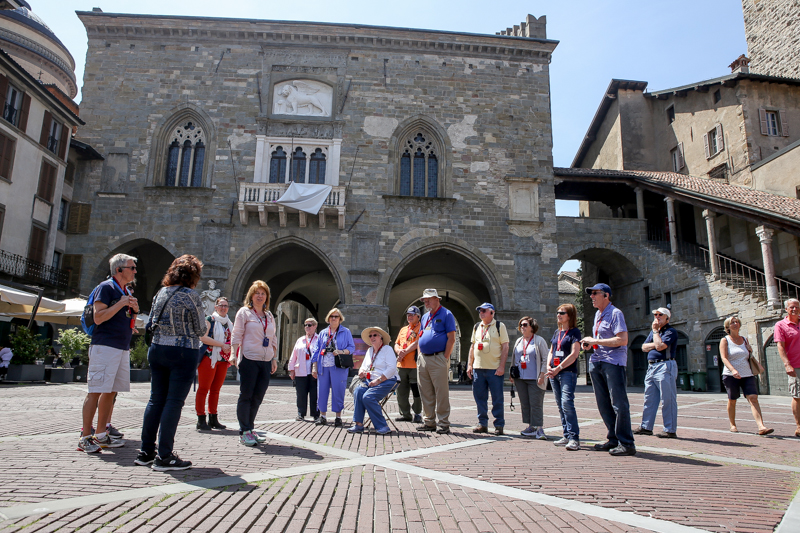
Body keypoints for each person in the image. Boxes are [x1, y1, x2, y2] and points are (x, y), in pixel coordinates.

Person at [136, 255, 206, 471]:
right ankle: (165, 455)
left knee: (156, 400)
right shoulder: (191, 296)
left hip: (157, 349)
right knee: (174, 402)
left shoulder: (160, 293)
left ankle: (146, 452)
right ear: (193, 275)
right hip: (182, 351)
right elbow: (201, 330)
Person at [78, 253, 139, 454]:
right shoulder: (106, 288)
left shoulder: (124, 290)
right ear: (119, 269)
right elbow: (98, 317)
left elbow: (119, 318)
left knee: (111, 391)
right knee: (95, 390)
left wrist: (133, 316)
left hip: (121, 347)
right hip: (105, 346)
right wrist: (121, 303)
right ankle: (85, 436)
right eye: (132, 267)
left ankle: (102, 434)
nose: (135, 271)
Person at [581, 283, 635, 456]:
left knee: (619, 403)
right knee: (603, 403)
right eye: (591, 294)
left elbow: (622, 340)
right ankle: (613, 439)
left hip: (613, 362)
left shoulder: (615, 313)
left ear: (606, 295)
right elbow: (601, 339)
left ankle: (627, 443)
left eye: (595, 293)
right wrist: (591, 343)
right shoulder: (598, 314)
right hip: (597, 361)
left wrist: (596, 341)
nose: (591, 296)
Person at [231, 281, 278, 446]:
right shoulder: (244, 313)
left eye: (263, 293)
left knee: (258, 397)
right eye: (257, 293)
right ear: (251, 295)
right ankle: (244, 431)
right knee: (246, 395)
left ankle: (250, 429)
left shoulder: (269, 315)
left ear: (267, 297)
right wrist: (233, 354)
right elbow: (236, 334)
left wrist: (274, 358)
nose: (260, 296)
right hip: (249, 359)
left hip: (265, 361)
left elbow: (273, 339)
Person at [720, 316, 773, 435]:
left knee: (753, 398)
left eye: (737, 322)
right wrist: (733, 370)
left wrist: (750, 350)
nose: (735, 323)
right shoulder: (725, 340)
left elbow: (747, 356)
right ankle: (732, 424)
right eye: (732, 322)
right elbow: (724, 357)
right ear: (728, 327)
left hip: (747, 374)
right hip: (730, 375)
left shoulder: (744, 339)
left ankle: (761, 426)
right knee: (732, 400)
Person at [416, 288, 457, 434]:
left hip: (438, 357)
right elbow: (420, 336)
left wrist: (444, 357)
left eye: (428, 299)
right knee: (425, 392)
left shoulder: (446, 314)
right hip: (423, 359)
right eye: (424, 300)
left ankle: (443, 423)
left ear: (437, 299)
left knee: (441, 392)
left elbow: (451, 338)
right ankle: (429, 422)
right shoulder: (425, 316)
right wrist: (420, 354)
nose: (426, 302)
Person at [634, 308, 679, 439]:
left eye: (660, 315)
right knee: (649, 398)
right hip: (652, 366)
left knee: (667, 399)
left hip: (665, 365)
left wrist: (655, 334)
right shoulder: (655, 333)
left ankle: (670, 429)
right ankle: (646, 426)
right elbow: (643, 347)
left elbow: (660, 347)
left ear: (667, 318)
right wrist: (655, 339)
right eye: (655, 314)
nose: (657, 317)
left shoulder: (671, 331)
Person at [467, 303, 510, 435]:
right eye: (480, 311)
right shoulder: (477, 326)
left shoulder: (499, 326)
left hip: (494, 369)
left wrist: (502, 366)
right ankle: (482, 423)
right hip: (478, 368)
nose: (481, 313)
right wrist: (470, 364)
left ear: (492, 312)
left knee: (497, 398)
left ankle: (499, 424)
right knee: (480, 398)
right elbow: (473, 347)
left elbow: (505, 346)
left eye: (484, 311)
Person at [348, 326, 399, 435]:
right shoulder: (369, 350)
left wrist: (378, 381)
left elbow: (391, 369)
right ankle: (359, 425)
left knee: (368, 397)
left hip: (388, 380)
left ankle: (383, 426)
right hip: (370, 380)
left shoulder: (387, 349)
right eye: (370, 336)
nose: (372, 337)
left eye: (375, 335)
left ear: (381, 338)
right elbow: (363, 366)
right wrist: (361, 372)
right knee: (358, 391)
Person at [546, 304, 582, 450]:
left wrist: (558, 368)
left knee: (567, 403)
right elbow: (552, 350)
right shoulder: (557, 332)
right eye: (558, 312)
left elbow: (574, 354)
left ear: (570, 316)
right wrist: (548, 366)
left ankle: (574, 438)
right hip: (554, 373)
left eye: (562, 313)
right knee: (561, 405)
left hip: (567, 372)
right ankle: (566, 434)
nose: (559, 315)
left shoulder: (575, 332)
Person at [311, 308, 355, 427]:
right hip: (323, 365)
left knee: (338, 391)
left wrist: (341, 351)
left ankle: (338, 417)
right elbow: (316, 350)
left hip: (338, 366)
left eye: (336, 316)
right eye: (331, 316)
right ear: (328, 318)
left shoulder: (346, 332)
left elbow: (352, 348)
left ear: (340, 319)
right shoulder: (323, 333)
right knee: (322, 391)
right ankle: (323, 416)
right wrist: (314, 367)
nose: (334, 318)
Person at [196, 296, 232, 431]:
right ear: (215, 307)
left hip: (223, 359)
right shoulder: (209, 320)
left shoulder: (229, 322)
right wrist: (222, 345)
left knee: (216, 389)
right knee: (204, 388)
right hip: (209, 357)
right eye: (221, 305)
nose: (223, 308)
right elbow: (203, 337)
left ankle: (213, 418)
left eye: (226, 306)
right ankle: (200, 418)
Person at [511, 316, 548, 439]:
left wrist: (542, 374)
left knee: (536, 403)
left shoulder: (539, 340)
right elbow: (515, 359)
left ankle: (539, 428)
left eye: (525, 324)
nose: (522, 327)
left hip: (535, 377)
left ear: (532, 327)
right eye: (521, 325)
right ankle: (531, 427)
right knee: (525, 403)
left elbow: (545, 359)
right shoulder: (518, 341)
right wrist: (512, 374)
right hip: (520, 378)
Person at [774, 298, 800, 438]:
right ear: (786, 309)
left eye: (796, 307)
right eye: (791, 307)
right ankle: (799, 426)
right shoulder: (781, 325)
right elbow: (780, 346)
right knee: (797, 396)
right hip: (795, 366)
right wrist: (787, 364)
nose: (794, 309)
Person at [394, 306, 423, 423]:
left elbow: (418, 342)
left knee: (416, 391)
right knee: (401, 392)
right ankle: (405, 414)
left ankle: (417, 413)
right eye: (408, 315)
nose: (409, 317)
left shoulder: (422, 327)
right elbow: (396, 344)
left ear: (418, 316)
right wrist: (398, 351)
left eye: (412, 314)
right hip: (401, 365)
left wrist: (404, 352)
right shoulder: (403, 329)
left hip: (414, 366)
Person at [289, 317, 319, 421]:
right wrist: (291, 369)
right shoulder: (300, 340)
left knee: (315, 394)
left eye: (309, 325)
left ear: (315, 326)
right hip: (300, 371)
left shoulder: (319, 339)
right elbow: (294, 355)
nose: (307, 327)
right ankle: (301, 413)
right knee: (301, 394)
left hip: (314, 372)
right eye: (305, 325)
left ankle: (315, 414)